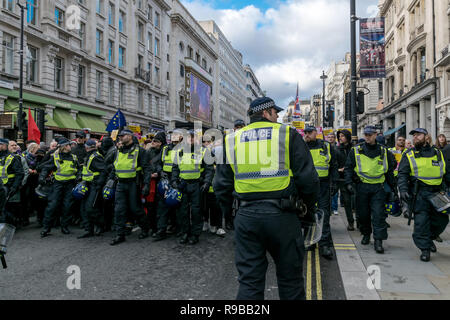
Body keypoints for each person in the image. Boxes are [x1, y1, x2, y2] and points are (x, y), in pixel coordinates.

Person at [214, 97, 320, 300]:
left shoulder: (230, 140)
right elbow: (309, 180)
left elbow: (221, 185)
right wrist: (307, 213)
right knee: (290, 281)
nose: (277, 116)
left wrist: (230, 216)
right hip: (283, 216)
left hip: (246, 216)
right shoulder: (287, 134)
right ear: (265, 113)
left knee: (249, 283)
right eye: (275, 112)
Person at [398, 128, 450, 262]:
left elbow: (445, 172)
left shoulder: (437, 152)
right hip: (420, 193)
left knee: (442, 220)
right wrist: (403, 190)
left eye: (418, 135)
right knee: (421, 222)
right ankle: (425, 249)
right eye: (414, 135)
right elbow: (402, 174)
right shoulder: (409, 154)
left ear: (426, 137)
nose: (415, 137)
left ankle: (429, 238)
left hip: (437, 192)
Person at [344, 125, 397, 254]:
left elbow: (390, 169)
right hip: (362, 187)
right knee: (363, 215)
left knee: (379, 215)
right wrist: (349, 183)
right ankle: (366, 234)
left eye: (370, 135)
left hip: (378, 188)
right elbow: (349, 168)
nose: (367, 137)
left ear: (375, 135)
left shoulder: (384, 151)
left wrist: (393, 188)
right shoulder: (356, 150)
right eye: (366, 135)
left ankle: (378, 240)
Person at [171, 129, 214, 245]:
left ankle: (195, 234)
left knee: (196, 211)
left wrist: (207, 182)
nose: (190, 139)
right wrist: (174, 181)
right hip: (182, 185)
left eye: (193, 137)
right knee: (183, 211)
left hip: (196, 185)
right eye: (188, 137)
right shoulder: (179, 151)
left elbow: (209, 169)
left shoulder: (203, 151)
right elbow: (175, 168)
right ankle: (185, 232)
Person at [109, 129, 151, 245]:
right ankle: (120, 234)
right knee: (119, 210)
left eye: (123, 136)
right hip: (120, 184)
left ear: (130, 136)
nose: (120, 138)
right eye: (120, 136)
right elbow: (114, 167)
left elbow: (147, 169)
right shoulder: (118, 150)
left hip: (133, 184)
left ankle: (145, 228)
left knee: (136, 209)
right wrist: (110, 181)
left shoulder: (140, 151)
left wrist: (146, 184)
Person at [304, 126, 339, 260]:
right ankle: (310, 241)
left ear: (316, 133)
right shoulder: (301, 146)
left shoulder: (326, 146)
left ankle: (325, 244)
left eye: (309, 132)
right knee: (308, 214)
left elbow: (334, 165)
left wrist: (335, 182)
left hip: (323, 185)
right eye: (305, 132)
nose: (307, 135)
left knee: (323, 215)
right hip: (306, 186)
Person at [39, 138, 80, 237]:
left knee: (67, 206)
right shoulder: (55, 157)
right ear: (65, 146)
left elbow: (78, 169)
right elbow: (46, 167)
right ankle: (46, 228)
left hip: (70, 184)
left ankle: (64, 227)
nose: (71, 146)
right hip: (57, 184)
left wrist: (79, 177)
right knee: (52, 206)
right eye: (69, 145)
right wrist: (42, 177)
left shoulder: (74, 157)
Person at [78, 139, 106, 238]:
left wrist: (99, 183)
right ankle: (88, 229)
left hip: (94, 185)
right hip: (86, 184)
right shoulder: (89, 156)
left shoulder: (96, 157)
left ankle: (100, 225)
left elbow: (103, 171)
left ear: (87, 147)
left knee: (90, 208)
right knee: (84, 208)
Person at [145, 131, 165, 238]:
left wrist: (159, 173)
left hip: (161, 181)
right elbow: (145, 165)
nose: (153, 142)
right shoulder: (148, 152)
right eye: (152, 141)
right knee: (151, 206)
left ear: (161, 143)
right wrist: (149, 174)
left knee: (161, 207)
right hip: (151, 182)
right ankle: (153, 227)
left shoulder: (164, 151)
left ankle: (161, 229)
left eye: (155, 141)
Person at [0, 139, 24, 225]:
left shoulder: (12, 158)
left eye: (0, 145)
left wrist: (14, 187)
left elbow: (20, 173)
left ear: (5, 146)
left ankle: (8, 225)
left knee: (6, 207)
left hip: (7, 186)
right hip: (2, 186)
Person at [336, 130, 355, 231]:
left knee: (357, 201)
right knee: (347, 202)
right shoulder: (337, 149)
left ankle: (360, 222)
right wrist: (339, 169)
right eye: (339, 136)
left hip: (354, 178)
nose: (340, 138)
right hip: (342, 179)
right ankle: (350, 222)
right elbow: (334, 164)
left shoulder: (354, 148)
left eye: (342, 136)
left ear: (347, 137)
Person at [388, 136, 408, 218]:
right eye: (400, 140)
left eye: (403, 140)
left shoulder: (408, 151)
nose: (401, 142)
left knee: (404, 193)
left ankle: (406, 210)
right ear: (396, 141)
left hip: (403, 175)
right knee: (393, 194)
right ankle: (394, 209)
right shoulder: (390, 150)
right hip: (392, 175)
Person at [327, 132, 339, 216]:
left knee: (335, 191)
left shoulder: (337, 148)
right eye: (329, 137)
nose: (330, 138)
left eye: (332, 137)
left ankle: (335, 208)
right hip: (327, 172)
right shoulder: (325, 147)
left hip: (335, 171)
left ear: (335, 138)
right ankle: (330, 207)